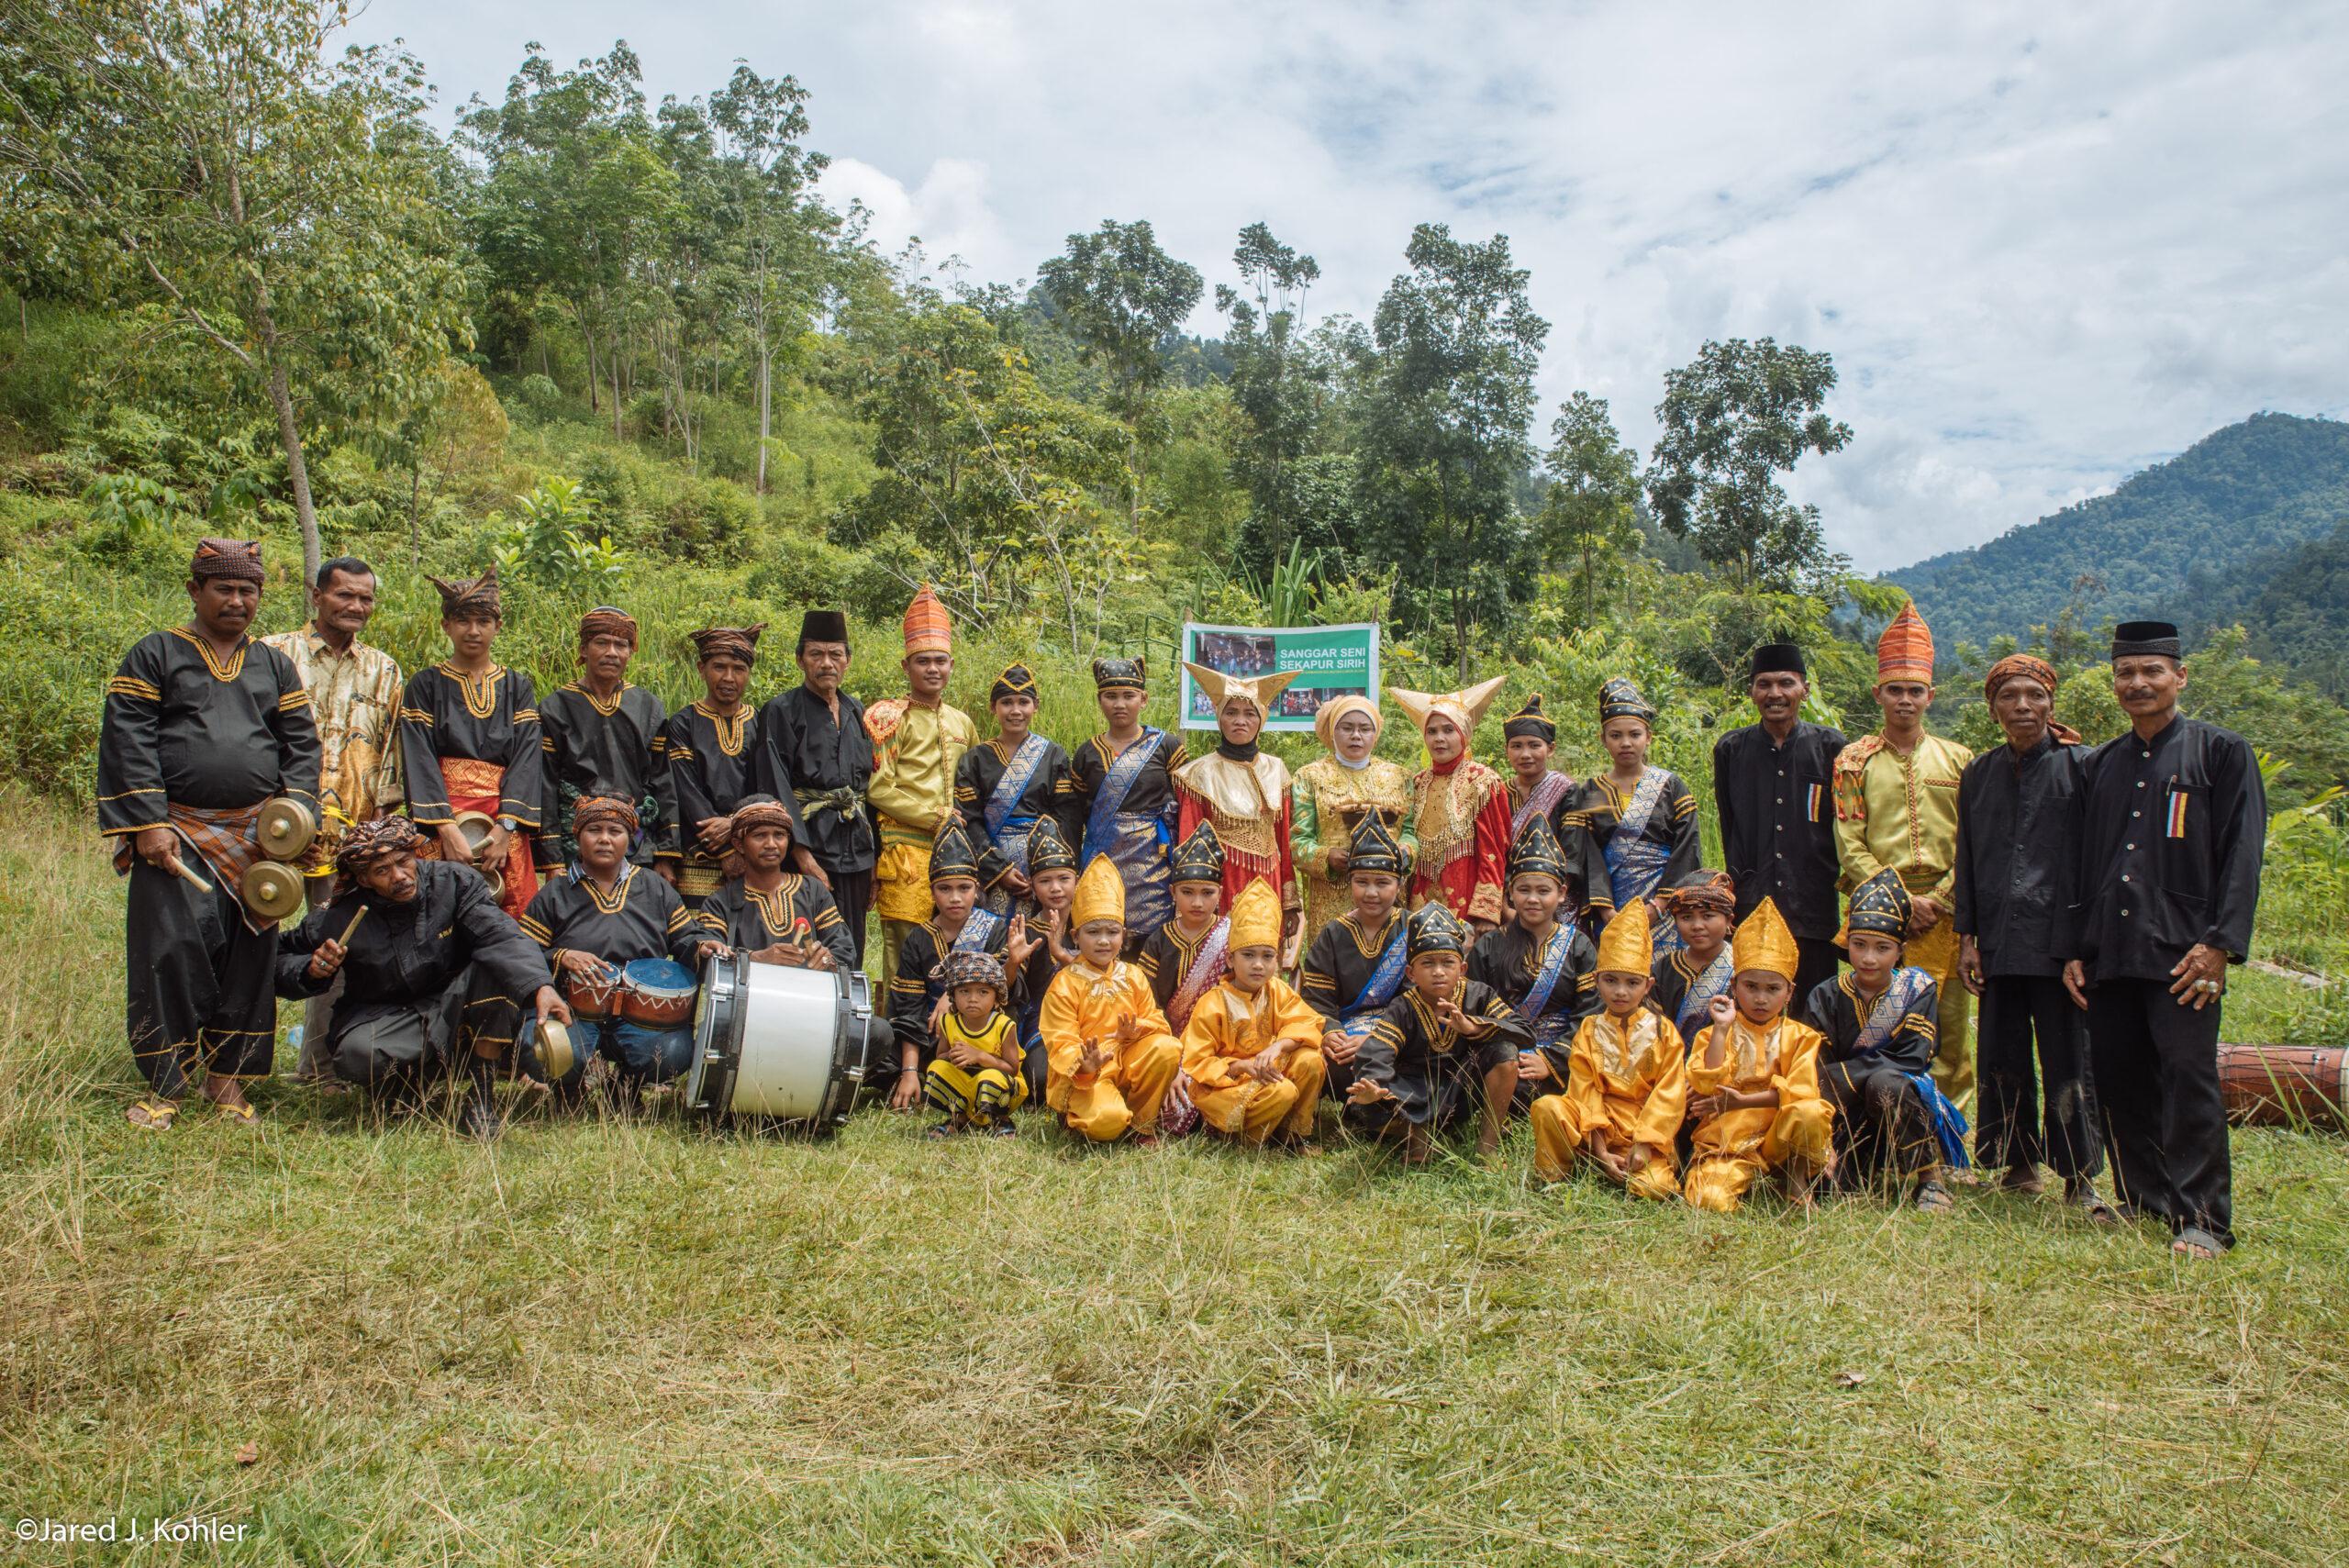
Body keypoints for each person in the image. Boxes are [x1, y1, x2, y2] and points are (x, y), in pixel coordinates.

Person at [101, 538, 321, 1130]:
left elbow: (301, 747)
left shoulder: (274, 666)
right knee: (169, 952)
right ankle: (164, 1088)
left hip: (257, 842)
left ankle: (228, 1083)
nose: (236, 599)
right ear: (195, 589)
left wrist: (294, 820)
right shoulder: (156, 655)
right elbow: (130, 737)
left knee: (249, 960)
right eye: (222, 587)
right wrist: (147, 821)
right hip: (178, 833)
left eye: (247, 589)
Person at [2064, 621, 2266, 1259]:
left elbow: (2242, 855)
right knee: (2120, 1078)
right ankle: (2145, 1198)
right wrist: (2075, 946)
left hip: (2186, 952)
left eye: (2152, 671)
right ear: (2114, 681)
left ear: (2179, 677)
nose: (2138, 683)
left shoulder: (2220, 753)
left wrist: (2221, 943)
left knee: (2188, 1077)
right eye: (2126, 672)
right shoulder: (2102, 763)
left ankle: (2204, 1219)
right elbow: (2084, 860)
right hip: (2113, 950)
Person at [274, 817, 567, 1140]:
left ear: (415, 856)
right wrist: (311, 969)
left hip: (457, 1007)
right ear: (364, 879)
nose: (399, 876)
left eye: (403, 862)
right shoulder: (341, 914)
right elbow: (280, 954)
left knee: (494, 965)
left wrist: (541, 986)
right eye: (382, 871)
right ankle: (408, 1087)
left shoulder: (454, 882)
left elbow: (500, 936)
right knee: (357, 1054)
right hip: (388, 1016)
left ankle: (481, 1096)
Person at [1954, 654, 2106, 1209]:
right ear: (1993, 708)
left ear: (2050, 703)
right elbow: (1966, 857)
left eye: (2034, 695)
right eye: (2009, 697)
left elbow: (2096, 861)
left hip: (2060, 940)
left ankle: (2080, 1176)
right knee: (2002, 1051)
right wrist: (1967, 938)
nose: (2023, 706)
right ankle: (2017, 1163)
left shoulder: (2084, 767)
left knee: (2070, 1054)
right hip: (1997, 938)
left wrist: (2085, 943)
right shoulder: (1980, 772)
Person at [261, 555, 404, 1088]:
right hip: (274, 829)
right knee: (254, 940)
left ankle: (318, 1067)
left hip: (350, 836)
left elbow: (390, 755)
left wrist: (379, 834)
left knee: (336, 946)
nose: (356, 607)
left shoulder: (383, 668)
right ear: (316, 595)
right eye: (345, 595)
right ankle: (235, 1058)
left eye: (365, 598)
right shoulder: (275, 654)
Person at [1832, 603, 1976, 1105]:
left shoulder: (1959, 760)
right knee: (1877, 1018)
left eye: (1916, 691)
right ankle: (1881, 1125)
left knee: (1950, 1025)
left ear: (1931, 696)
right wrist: (1899, 899)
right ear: (1878, 694)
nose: (1905, 700)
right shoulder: (1853, 761)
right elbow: (1849, 841)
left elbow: (1972, 841)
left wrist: (1937, 899)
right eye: (1895, 690)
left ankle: (1946, 1130)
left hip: (1948, 910)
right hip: (1878, 914)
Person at [512, 796, 727, 1106]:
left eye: (615, 831)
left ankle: (626, 1083)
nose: (604, 839)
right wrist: (562, 956)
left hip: (642, 1014)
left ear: (629, 839)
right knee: (539, 1048)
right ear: (578, 837)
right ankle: (568, 1087)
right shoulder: (555, 893)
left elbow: (685, 937)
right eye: (594, 830)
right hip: (572, 1010)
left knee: (675, 1054)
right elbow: (523, 951)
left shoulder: (654, 887)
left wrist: (702, 944)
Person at [1805, 869, 1971, 1212]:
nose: (1869, 958)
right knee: (1833, 1193)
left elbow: (1912, 1058)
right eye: (1859, 945)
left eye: (1882, 948)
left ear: (1901, 950)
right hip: (1843, 1107)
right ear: (1846, 942)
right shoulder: (1825, 995)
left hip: (1897, 1099)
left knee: (1885, 1082)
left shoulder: (1916, 990)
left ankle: (1930, 1180)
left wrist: (1843, 1075)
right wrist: (1835, 1081)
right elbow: (1817, 1066)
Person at [398, 565, 544, 919]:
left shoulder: (516, 686)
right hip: (443, 818)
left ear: (498, 626)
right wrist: (446, 829)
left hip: (501, 818)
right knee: (439, 912)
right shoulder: (426, 684)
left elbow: (527, 756)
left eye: (483, 621)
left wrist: (505, 829)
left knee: (510, 912)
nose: (474, 631)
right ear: (446, 625)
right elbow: (418, 757)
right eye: (463, 621)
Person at [1674, 898, 1833, 1213]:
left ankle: (1795, 1181)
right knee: (1710, 1201)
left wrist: (1740, 1101)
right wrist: (1720, 1030)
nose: (1761, 998)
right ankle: (1734, 1177)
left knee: (1811, 1112)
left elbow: (1801, 1092)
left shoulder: (1801, 1037)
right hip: (1728, 1141)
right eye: (1751, 986)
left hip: (1779, 1135)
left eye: (1773, 989)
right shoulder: (1714, 1033)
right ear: (1734, 987)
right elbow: (1706, 1087)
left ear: (1789, 992)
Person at [1344, 903, 1531, 1165]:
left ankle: (1487, 1147)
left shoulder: (1479, 995)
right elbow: (1378, 1050)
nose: (1439, 972)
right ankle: (1417, 1134)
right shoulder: (1403, 1007)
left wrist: (1473, 1028)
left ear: (1462, 969)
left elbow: (1523, 1031)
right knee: (1368, 1101)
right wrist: (1376, 1088)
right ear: (1411, 973)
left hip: (1462, 1091)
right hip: (1413, 1093)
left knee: (1506, 1053)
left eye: (1447, 963)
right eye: (1428, 963)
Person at [1713, 643, 1848, 1001]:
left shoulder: (1832, 748)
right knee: (1753, 1004)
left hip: (1813, 901)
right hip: (1752, 902)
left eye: (1786, 683)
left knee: (1814, 1008)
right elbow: (1730, 828)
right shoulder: (1731, 750)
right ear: (1752, 692)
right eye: (1764, 684)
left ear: (1804, 689)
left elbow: (1844, 829)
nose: (1775, 694)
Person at [1526, 901, 1686, 1198]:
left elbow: (1669, 1095)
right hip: (1595, 1132)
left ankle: (1620, 1166)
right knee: (1549, 1107)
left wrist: (1644, 1144)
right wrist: (1600, 1150)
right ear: (1597, 981)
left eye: (1632, 983)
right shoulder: (1589, 1028)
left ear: (1648, 985)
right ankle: (1557, 1178)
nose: (1621, 992)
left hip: (1642, 1134)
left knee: (1652, 1188)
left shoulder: (1665, 1032)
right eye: (1611, 981)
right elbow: (1585, 1092)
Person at [867, 585, 979, 989]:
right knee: (905, 950)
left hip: (955, 853)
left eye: (941, 661)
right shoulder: (888, 718)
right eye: (923, 661)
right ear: (906, 666)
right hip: (906, 852)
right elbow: (879, 789)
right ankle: (894, 1044)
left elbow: (972, 786)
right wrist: (937, 816)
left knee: (957, 945)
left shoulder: (962, 722)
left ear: (951, 665)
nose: (933, 669)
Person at [750, 609, 875, 965]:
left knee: (852, 942)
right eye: (816, 654)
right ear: (800, 659)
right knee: (806, 943)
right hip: (809, 846)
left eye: (835, 654)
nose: (826, 663)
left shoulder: (856, 711)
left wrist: (872, 860)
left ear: (847, 660)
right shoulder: (780, 710)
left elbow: (865, 791)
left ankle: (849, 1014)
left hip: (854, 850)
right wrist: (802, 855)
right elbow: (775, 782)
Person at [885, 818, 1030, 1109]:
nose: (955, 898)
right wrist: (910, 1071)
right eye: (944, 888)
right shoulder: (919, 939)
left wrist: (1012, 962)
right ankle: (924, 1077)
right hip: (933, 1039)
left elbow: (1006, 994)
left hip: (985, 1035)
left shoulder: (996, 929)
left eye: (964, 888)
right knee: (885, 1064)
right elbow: (908, 1007)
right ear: (932, 891)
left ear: (976, 890)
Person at [1039, 853, 1183, 1144]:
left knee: (1167, 1047)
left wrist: (1136, 1030)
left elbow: (1158, 1022)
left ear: (1124, 935)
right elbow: (1060, 1039)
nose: (1103, 941)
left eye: (1112, 932)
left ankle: (1143, 1125)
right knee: (1108, 1123)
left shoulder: (1133, 975)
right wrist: (1084, 1064)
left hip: (1127, 1061)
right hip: (1087, 1076)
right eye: (1093, 932)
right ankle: (1082, 1112)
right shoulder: (1065, 983)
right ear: (1076, 937)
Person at [1177, 878, 1329, 1151]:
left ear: (1276, 958)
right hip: (1226, 1086)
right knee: (1283, 1091)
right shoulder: (1213, 1003)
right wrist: (1241, 1067)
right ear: (1230, 960)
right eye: (1248, 955)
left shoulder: (1277, 990)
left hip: (1268, 1076)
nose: (1258, 965)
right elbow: (1197, 1063)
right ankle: (1247, 1139)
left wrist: (1279, 1046)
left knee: (1309, 1060)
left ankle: (1292, 1135)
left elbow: (1307, 1023)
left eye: (1267, 956)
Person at [1174, 662, 1303, 962]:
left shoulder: (1277, 769)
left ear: (1262, 720)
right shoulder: (1198, 774)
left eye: (1249, 714)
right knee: (1222, 957)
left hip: (1269, 880)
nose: (1240, 721)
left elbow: (1283, 842)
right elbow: (1189, 845)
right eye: (1231, 713)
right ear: (1219, 718)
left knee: (1262, 957)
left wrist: (1290, 902)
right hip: (1222, 880)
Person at [1470, 815, 1599, 1111]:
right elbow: (1474, 1008)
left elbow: (1590, 1011)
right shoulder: (1489, 946)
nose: (1533, 899)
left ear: (1562, 894)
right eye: (1524, 890)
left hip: (1563, 1056)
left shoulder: (1579, 945)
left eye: (1544, 891)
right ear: (1510, 894)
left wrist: (1552, 1059)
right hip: (1504, 1053)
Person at [539, 606, 669, 875]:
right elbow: (545, 785)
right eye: (602, 643)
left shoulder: (648, 706)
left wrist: (666, 853)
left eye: (621, 645)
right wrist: (552, 859)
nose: (612, 652)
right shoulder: (556, 707)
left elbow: (663, 781)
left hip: (636, 841)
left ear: (630, 653)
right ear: (584, 649)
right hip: (574, 841)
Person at [1069, 656, 1186, 954]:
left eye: (1128, 696)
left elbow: (1185, 805)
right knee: (1103, 932)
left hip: (1153, 864)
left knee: (1152, 943)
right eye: (1111, 696)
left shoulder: (1166, 746)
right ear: (1100, 700)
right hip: (1102, 859)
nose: (1120, 704)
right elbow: (1076, 815)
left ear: (1143, 699)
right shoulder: (1086, 753)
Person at [1570, 677, 1701, 935]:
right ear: (1603, 739)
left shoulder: (1671, 786)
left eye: (1635, 734)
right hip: (1611, 906)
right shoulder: (1591, 791)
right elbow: (1588, 853)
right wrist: (1606, 910)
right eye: (1616, 735)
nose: (1626, 743)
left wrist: (1660, 904)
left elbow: (1687, 846)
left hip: (1666, 905)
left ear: (1648, 737)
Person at [953, 662, 1082, 920]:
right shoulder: (975, 760)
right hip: (992, 863)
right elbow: (970, 820)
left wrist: (1050, 869)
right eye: (1006, 702)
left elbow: (1067, 817)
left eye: (1023, 702)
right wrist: (999, 868)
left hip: (1044, 866)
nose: (1015, 711)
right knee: (994, 941)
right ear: (993, 707)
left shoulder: (1053, 755)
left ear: (1036, 706)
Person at [1297, 813, 1413, 1101]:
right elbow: (1317, 998)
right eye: (1362, 882)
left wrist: (1378, 1037)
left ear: (1398, 885)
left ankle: (1379, 1105)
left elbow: (1420, 1000)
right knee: (1332, 1066)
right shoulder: (1334, 934)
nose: (1371, 892)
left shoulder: (1414, 930)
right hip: (1347, 1036)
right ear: (1350, 883)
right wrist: (1332, 1033)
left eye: (1382, 883)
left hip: (1399, 1035)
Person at [1290, 693, 1416, 944]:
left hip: (1386, 893)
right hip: (1332, 895)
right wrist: (1326, 856)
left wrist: (1406, 851)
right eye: (1347, 728)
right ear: (1332, 731)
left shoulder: (1399, 777)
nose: (1356, 736)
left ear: (1375, 733)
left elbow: (1410, 830)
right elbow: (1298, 841)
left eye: (1364, 728)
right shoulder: (1310, 777)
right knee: (1335, 962)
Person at [657, 624, 766, 906]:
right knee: (701, 939)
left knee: (751, 938)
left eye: (739, 669)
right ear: (701, 668)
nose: (729, 677)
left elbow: (766, 784)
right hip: (700, 849)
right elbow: (686, 790)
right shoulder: (683, 723)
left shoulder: (760, 722)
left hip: (752, 845)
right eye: (719, 667)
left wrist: (736, 825)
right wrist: (727, 851)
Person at [1391, 677, 1513, 930]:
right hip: (1420, 898)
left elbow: (1494, 850)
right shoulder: (1418, 782)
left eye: (1448, 730)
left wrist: (1486, 913)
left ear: (1464, 734)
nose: (1439, 739)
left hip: (1465, 898)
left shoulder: (1482, 781)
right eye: (1432, 731)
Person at [693, 795, 858, 972]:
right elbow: (711, 957)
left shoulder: (814, 891)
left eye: (779, 835)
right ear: (739, 844)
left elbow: (844, 950)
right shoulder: (719, 903)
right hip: (749, 998)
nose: (771, 844)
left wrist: (828, 959)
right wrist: (755, 958)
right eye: (759, 835)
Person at [1008, 814, 1082, 1105]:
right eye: (1045, 881)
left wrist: (1063, 957)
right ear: (1032, 885)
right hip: (1041, 1024)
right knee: (1039, 1082)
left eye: (1064, 879)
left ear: (1078, 880)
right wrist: (1012, 962)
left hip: (1087, 1020)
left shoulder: (1090, 929)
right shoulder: (1026, 931)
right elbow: (1007, 989)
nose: (1055, 888)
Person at [1136, 822, 1231, 1032]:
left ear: (1220, 894)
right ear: (1173, 892)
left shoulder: (1231, 937)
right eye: (1187, 892)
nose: (1197, 902)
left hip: (1220, 1033)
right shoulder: (1159, 939)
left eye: (1207, 893)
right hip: (1166, 1035)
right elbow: (1145, 995)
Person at [921, 949, 1025, 1139]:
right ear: (953, 995)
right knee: (936, 1069)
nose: (973, 999)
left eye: (983, 992)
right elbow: (941, 1057)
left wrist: (979, 1056)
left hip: (998, 1082)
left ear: (996, 997)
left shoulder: (1003, 1025)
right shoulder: (949, 1022)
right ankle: (958, 1118)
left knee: (990, 1079)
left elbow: (1012, 1069)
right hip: (965, 1081)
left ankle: (1000, 1120)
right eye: (964, 991)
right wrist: (954, 1056)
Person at [1651, 871, 1739, 1046]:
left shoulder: (1742, 967)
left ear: (1729, 920)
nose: (1697, 926)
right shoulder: (1664, 967)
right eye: (1686, 917)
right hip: (1669, 1065)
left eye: (1707, 916)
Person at [1497, 694, 1580, 845]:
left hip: (1557, 869)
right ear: (1506, 750)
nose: (1525, 754)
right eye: (1516, 746)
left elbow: (1573, 849)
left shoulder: (1566, 791)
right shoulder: (1499, 793)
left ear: (1551, 749)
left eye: (1534, 745)